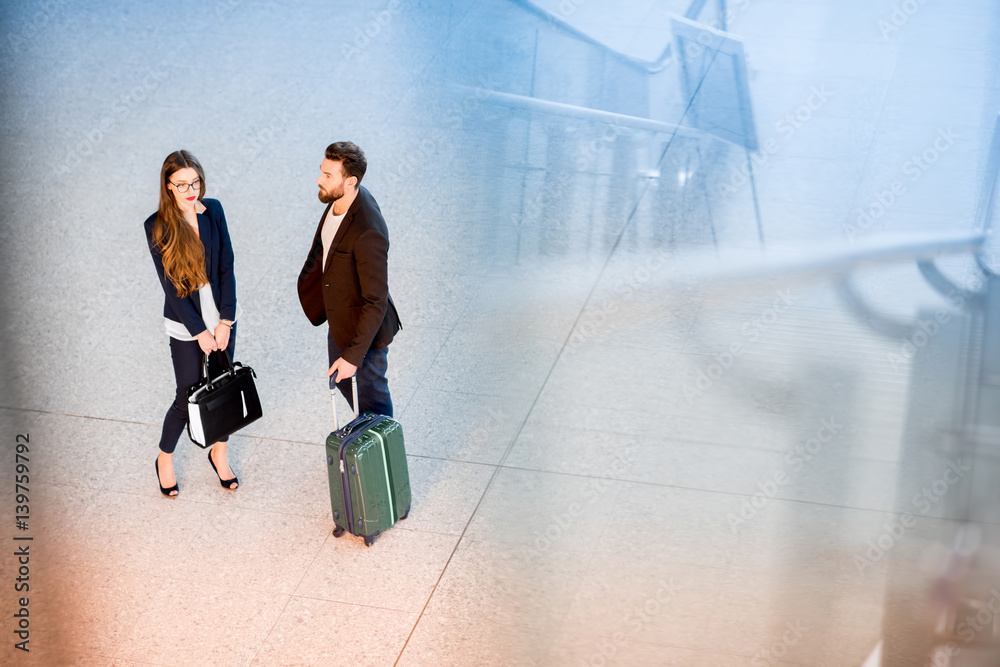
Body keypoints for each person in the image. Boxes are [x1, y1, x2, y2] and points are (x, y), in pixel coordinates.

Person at [144, 150, 242, 497]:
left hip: (222, 319)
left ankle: (220, 452)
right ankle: (165, 457)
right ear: (168, 186)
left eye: (195, 182)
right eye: (181, 184)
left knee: (224, 386)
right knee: (187, 394)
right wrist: (199, 332)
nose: (190, 190)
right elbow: (170, 287)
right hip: (187, 325)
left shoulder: (213, 209)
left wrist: (226, 321)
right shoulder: (157, 226)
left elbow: (227, 266)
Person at [297, 141, 401, 417]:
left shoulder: (367, 232)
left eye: (328, 176)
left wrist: (354, 357)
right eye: (322, 171)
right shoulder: (341, 198)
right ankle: (364, 430)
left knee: (374, 401)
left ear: (351, 181)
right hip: (340, 316)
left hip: (364, 331)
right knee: (345, 383)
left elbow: (376, 300)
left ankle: (383, 453)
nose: (319, 180)